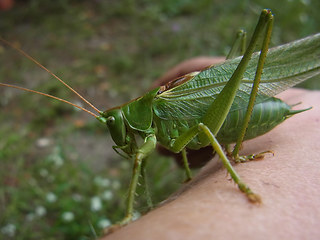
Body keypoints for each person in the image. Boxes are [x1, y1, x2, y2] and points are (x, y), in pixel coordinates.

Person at [102, 57, 320, 240]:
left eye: (113, 122)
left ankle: (128, 216)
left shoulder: (159, 106)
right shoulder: (154, 121)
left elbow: (200, 129)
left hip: (257, 111)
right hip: (247, 109)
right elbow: (183, 137)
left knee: (198, 128)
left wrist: (237, 162)